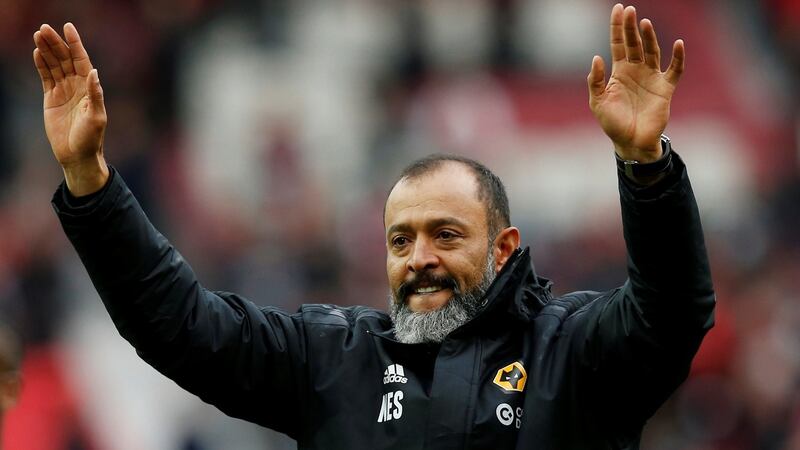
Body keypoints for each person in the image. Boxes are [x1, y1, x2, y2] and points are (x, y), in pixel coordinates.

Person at [33, 3, 715, 449]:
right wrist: (92, 182)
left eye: (446, 235)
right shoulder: (336, 359)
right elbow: (181, 326)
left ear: (505, 248)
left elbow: (673, 312)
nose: (419, 258)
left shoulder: (575, 351)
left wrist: (646, 166)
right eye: (400, 240)